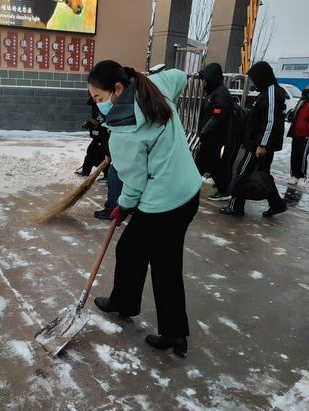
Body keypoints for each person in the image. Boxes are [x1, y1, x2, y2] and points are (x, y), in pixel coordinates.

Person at [88, 60, 201, 357]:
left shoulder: (124, 133)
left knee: (141, 255)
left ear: (118, 89)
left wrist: (122, 206)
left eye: (100, 99)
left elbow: (135, 183)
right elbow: (178, 76)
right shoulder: (156, 87)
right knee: (158, 259)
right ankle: (171, 331)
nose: (98, 105)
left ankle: (127, 306)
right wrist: (149, 77)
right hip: (188, 192)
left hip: (163, 201)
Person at [220, 61, 287, 217]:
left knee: (242, 172)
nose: (254, 82)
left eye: (255, 78)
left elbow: (270, 121)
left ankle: (235, 206)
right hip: (259, 143)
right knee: (263, 175)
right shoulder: (268, 92)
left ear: (263, 77)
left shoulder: (271, 93)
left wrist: (262, 144)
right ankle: (277, 204)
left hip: (257, 145)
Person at [195, 63, 233, 201]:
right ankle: (191, 185)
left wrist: (204, 131)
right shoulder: (215, 93)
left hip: (214, 138)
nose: (204, 82)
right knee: (205, 163)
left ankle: (224, 190)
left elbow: (218, 117)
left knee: (212, 165)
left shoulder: (221, 94)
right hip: (210, 138)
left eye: (205, 79)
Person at [75, 97, 110, 177]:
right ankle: (85, 171)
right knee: (91, 152)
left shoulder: (107, 104)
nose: (95, 99)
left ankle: (107, 176)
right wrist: (89, 123)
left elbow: (103, 120)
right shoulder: (95, 105)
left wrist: (97, 123)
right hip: (98, 135)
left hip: (106, 135)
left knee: (103, 156)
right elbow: (95, 118)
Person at [287, 86, 309, 187]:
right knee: (294, 154)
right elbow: (295, 113)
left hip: (306, 135)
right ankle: (294, 175)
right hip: (296, 133)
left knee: (302, 156)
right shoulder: (302, 102)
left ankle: (302, 176)